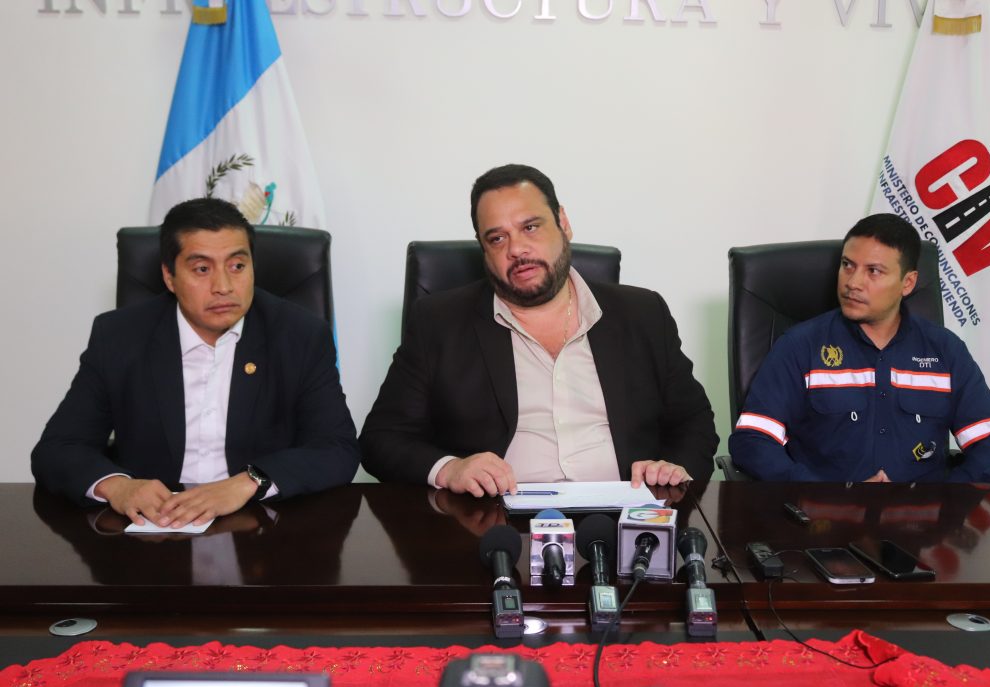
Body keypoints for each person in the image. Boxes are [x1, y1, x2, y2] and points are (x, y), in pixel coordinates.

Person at [360, 164, 718, 496]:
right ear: (483, 249)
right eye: (497, 239)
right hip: (494, 522)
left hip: (623, 516)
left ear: (563, 223)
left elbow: (694, 422)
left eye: (530, 227)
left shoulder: (643, 313)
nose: (517, 249)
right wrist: (450, 469)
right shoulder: (439, 323)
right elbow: (382, 439)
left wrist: (672, 468)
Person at [32, 198, 361, 526]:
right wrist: (118, 486)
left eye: (237, 266)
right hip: (153, 527)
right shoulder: (119, 336)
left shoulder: (300, 335)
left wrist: (250, 481)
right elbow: (58, 448)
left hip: (261, 524)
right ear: (169, 277)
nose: (223, 287)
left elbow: (337, 448)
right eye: (202, 269)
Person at [728, 213, 990, 482]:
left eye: (874, 271)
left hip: (923, 519)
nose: (853, 282)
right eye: (847, 265)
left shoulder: (945, 350)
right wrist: (830, 496)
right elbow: (753, 440)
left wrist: (939, 501)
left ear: (908, 283)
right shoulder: (800, 345)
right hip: (824, 516)